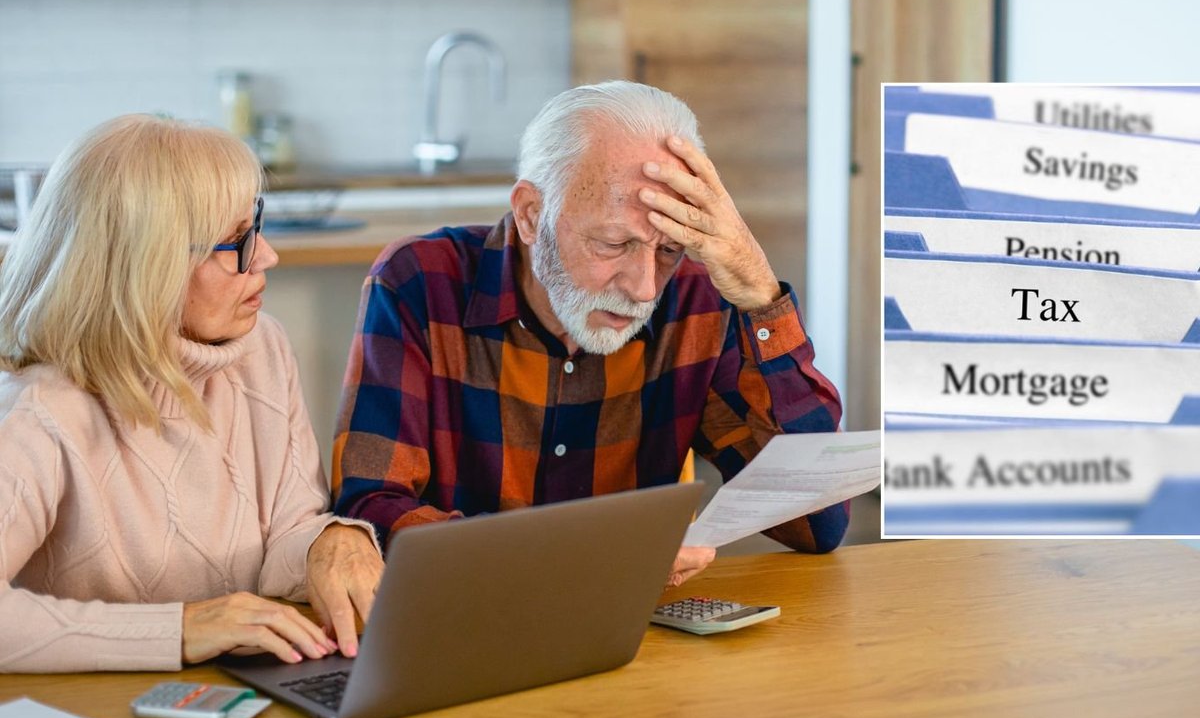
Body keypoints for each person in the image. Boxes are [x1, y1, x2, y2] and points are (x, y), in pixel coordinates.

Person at [333, 81, 846, 585]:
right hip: (466, 625)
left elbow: (817, 522)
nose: (645, 289)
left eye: (668, 249)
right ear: (532, 214)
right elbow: (371, 511)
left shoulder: (695, 299)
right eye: (613, 243)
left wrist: (760, 296)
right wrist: (579, 562)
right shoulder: (419, 282)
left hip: (635, 637)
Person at [0, 115, 383, 673]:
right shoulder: (36, 410)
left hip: (239, 689)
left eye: (255, 226)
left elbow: (289, 527)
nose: (267, 256)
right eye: (235, 242)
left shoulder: (261, 348)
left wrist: (331, 540)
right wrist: (179, 629)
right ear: (145, 265)